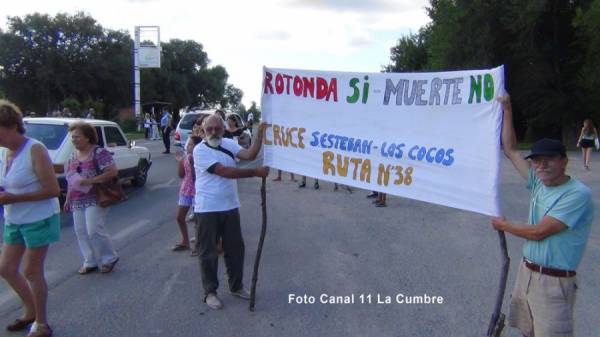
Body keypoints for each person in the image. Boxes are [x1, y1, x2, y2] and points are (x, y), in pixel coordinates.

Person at [491, 95, 594, 337]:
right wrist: (507, 109)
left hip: (553, 282)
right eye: (537, 160)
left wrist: (504, 225)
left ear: (564, 161)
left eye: (549, 159)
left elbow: (539, 232)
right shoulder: (538, 183)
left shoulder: (578, 194)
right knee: (527, 332)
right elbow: (511, 150)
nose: (541, 165)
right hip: (527, 273)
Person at [193, 114, 269, 310]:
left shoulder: (228, 143)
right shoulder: (199, 150)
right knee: (208, 252)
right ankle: (210, 292)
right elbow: (224, 172)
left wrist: (260, 135)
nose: (213, 132)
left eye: (217, 128)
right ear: (202, 130)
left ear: (223, 129)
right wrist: (254, 172)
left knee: (236, 249)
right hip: (207, 208)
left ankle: (236, 287)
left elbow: (250, 155)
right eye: (209, 128)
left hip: (230, 206)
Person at [0, 100, 60, 337]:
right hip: (14, 219)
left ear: (13, 126)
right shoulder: (5, 152)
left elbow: (53, 190)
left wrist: (14, 198)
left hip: (39, 218)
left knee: (32, 271)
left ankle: (42, 324)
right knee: (6, 268)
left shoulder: (35, 149)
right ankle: (30, 311)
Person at [63, 122, 120, 275]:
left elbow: (112, 172)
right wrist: (68, 198)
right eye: (72, 137)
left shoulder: (99, 153)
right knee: (80, 231)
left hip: (96, 197)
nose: (74, 140)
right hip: (77, 199)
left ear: (87, 138)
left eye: (77, 137)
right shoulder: (72, 157)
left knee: (93, 230)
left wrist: (90, 181)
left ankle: (109, 258)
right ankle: (90, 261)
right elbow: (70, 178)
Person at [172, 114, 208, 253]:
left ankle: (198, 244)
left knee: (198, 220)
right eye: (188, 143)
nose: (188, 146)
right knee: (180, 217)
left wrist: (191, 162)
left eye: (192, 144)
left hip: (197, 190)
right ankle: (185, 241)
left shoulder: (197, 158)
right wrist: (180, 161)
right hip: (186, 190)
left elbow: (194, 177)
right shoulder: (186, 157)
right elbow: (181, 175)